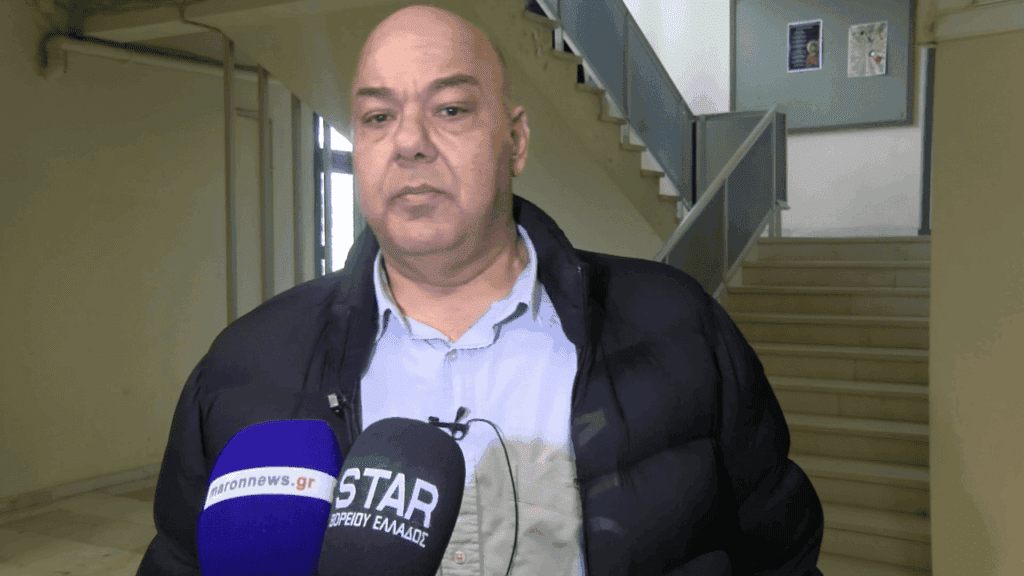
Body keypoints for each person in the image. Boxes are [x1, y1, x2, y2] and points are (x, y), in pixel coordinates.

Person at [137, 5, 823, 576]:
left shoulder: (680, 327)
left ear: (515, 141)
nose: (409, 142)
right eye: (377, 117)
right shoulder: (242, 365)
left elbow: (781, 556)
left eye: (452, 109)